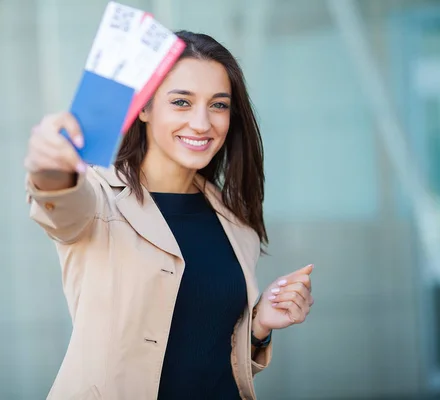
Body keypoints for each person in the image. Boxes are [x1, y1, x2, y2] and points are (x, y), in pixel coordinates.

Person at [24, 30, 314, 400]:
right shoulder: (98, 200)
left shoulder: (235, 221)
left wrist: (258, 326)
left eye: (219, 105)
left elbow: (205, 355)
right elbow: (59, 203)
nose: (202, 123)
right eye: (181, 102)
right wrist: (50, 165)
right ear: (143, 108)